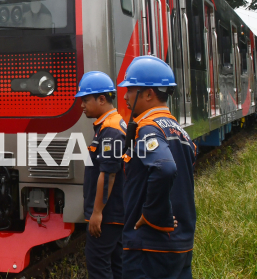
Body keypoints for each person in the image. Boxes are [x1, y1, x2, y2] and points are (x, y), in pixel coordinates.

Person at [119, 56, 196, 279]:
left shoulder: (148, 129)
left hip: (149, 247)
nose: (125, 96)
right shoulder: (180, 131)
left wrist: (155, 216)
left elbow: (164, 168)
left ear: (148, 94)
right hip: (181, 244)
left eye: (130, 90)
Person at [76, 71, 126, 279]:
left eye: (85, 100)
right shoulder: (109, 126)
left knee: (98, 263)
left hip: (108, 215)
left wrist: (97, 213)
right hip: (113, 212)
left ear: (102, 99)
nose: (82, 105)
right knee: (116, 264)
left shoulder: (111, 130)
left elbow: (108, 174)